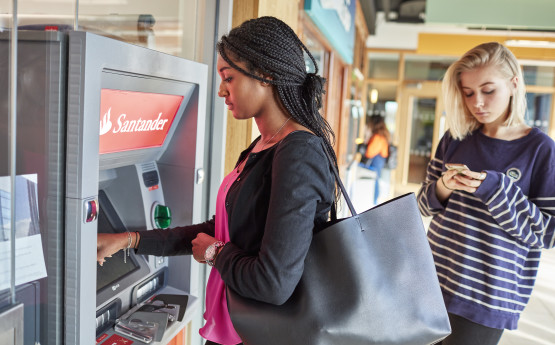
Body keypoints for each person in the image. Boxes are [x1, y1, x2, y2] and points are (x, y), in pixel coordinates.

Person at [97, 16, 337, 345]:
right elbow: (222, 228)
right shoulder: (264, 145)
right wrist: (130, 239)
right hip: (239, 328)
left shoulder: (298, 153)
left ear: (265, 75)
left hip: (260, 335)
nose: (222, 89)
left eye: (229, 77)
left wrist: (215, 253)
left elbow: (273, 283)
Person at [417, 41, 555, 345]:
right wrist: (444, 187)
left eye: (488, 90)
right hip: (432, 281)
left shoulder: (540, 150)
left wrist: (497, 188)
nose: (477, 102)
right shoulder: (455, 137)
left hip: (488, 298)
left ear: (514, 84)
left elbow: (549, 234)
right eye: (468, 93)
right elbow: (421, 207)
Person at [360, 114, 390, 205]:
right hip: (378, 163)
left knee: (375, 181)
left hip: (376, 163)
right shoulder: (381, 135)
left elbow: (369, 153)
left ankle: (374, 203)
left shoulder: (378, 137)